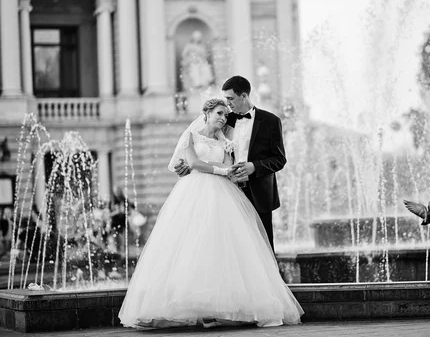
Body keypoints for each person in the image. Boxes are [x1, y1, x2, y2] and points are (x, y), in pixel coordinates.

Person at [118, 98, 303, 329]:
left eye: (225, 115)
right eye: (219, 113)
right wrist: (222, 170)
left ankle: (220, 309)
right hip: (195, 191)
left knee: (223, 245)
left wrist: (230, 171)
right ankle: (186, 305)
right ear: (206, 114)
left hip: (223, 193)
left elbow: (229, 161)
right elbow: (193, 163)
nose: (223, 118)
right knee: (191, 242)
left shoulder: (225, 141)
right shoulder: (190, 137)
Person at [174, 76, 286, 252]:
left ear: (244, 96)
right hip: (226, 192)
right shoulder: (224, 119)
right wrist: (189, 165)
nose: (227, 104)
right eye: (225, 99)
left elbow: (279, 159)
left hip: (259, 192)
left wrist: (254, 166)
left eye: (231, 98)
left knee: (263, 248)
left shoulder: (271, 121)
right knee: (232, 248)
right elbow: (207, 144)